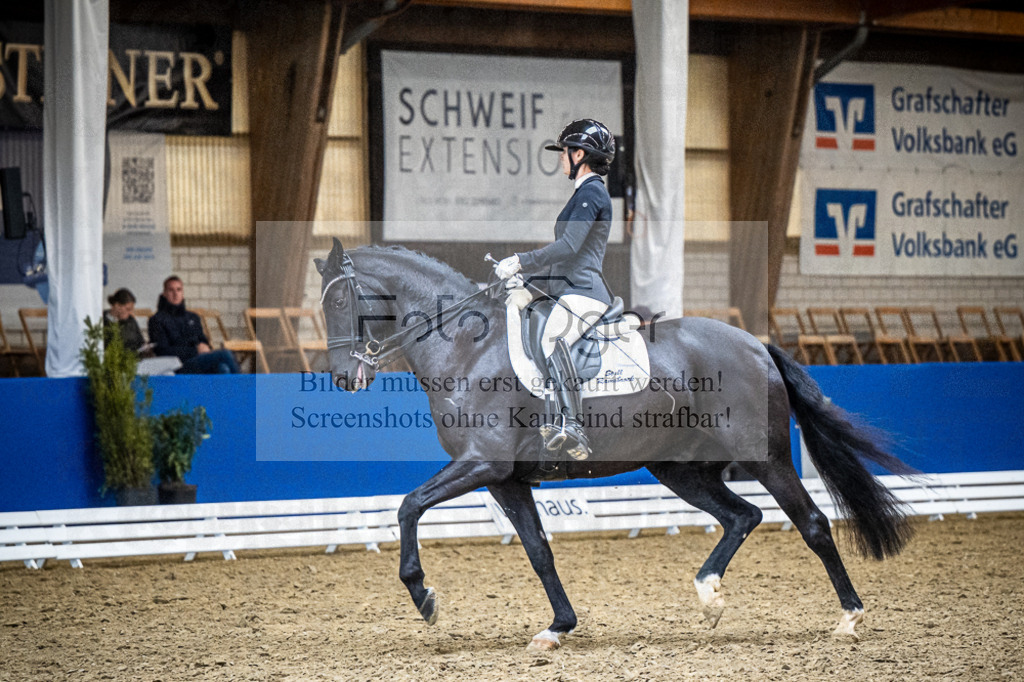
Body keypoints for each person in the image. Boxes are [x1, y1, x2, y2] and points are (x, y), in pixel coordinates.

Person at [494, 118, 616, 462]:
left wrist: (521, 260)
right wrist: (529, 290)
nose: (561, 158)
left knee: (552, 339)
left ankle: (572, 424)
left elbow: (568, 249)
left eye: (564, 152)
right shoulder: (583, 194)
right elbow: (564, 264)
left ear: (580, 154)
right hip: (570, 286)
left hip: (585, 291)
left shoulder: (591, 193)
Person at [148, 275, 240, 374]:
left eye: (179, 290)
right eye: (171, 290)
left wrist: (204, 347)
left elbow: (204, 342)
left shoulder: (193, 317)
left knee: (223, 368)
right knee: (225, 354)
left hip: (199, 360)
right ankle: (246, 387)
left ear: (182, 293)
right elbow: (162, 351)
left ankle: (232, 389)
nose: (175, 294)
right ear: (165, 294)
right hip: (177, 365)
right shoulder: (156, 320)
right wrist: (194, 350)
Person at [103, 288, 148, 355]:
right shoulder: (103, 321)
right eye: (128, 309)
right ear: (117, 305)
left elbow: (141, 341)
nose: (130, 312)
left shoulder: (131, 320)